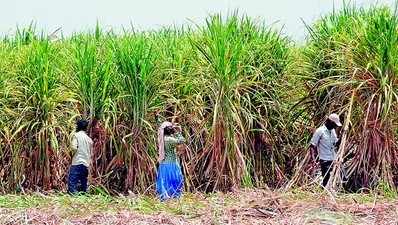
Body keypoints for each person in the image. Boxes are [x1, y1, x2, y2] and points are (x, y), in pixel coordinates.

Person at [310, 113, 342, 187]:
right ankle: (325, 193)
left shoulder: (332, 131)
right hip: (324, 159)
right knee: (326, 177)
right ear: (330, 122)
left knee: (334, 177)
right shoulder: (320, 131)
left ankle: (330, 191)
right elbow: (312, 146)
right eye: (334, 124)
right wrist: (313, 159)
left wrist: (342, 137)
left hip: (333, 158)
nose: (335, 126)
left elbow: (336, 143)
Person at [156, 121, 185, 201]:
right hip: (171, 164)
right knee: (174, 179)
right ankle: (174, 196)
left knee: (164, 181)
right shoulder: (169, 140)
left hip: (163, 164)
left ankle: (164, 197)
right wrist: (178, 131)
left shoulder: (162, 139)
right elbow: (181, 140)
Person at [68, 119, 93, 194]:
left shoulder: (76, 135)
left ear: (78, 126)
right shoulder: (89, 139)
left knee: (73, 180)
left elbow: (74, 147)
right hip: (86, 163)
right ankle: (83, 194)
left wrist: (72, 154)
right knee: (83, 180)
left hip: (77, 161)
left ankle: (73, 195)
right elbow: (91, 153)